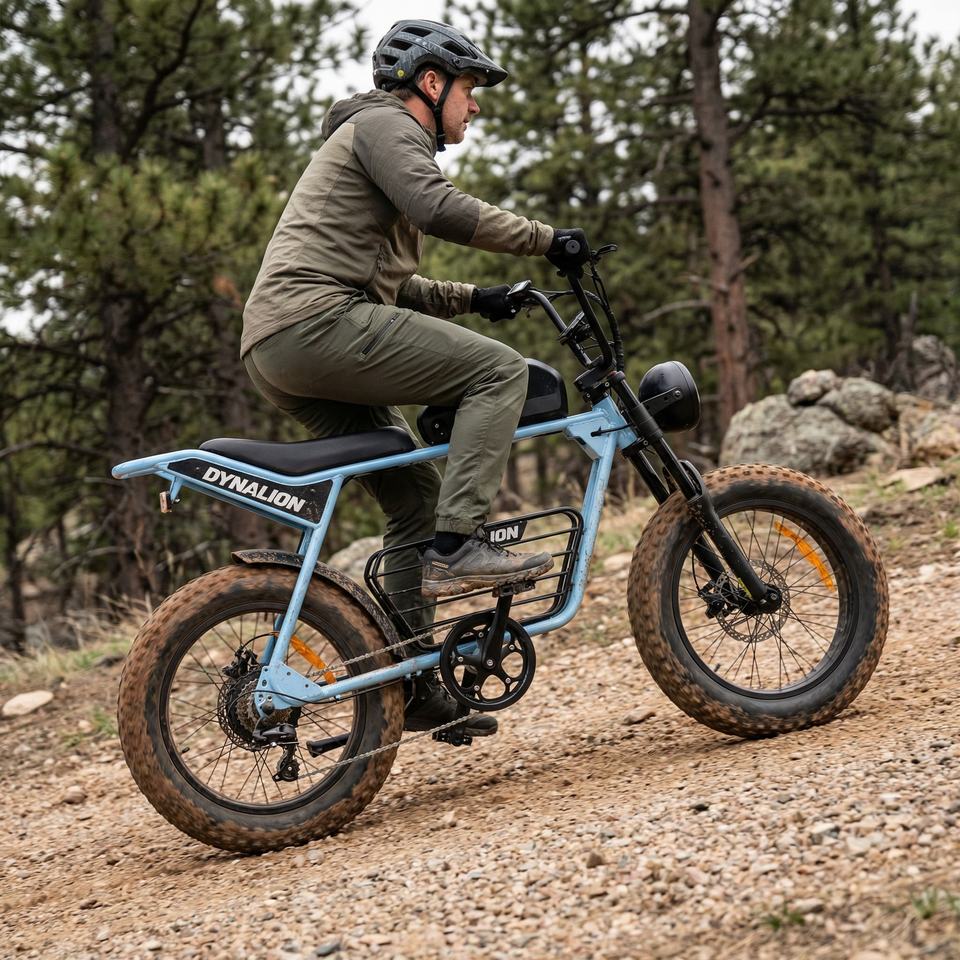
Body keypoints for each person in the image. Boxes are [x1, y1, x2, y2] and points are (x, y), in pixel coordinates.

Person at [240, 19, 589, 737]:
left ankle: (417, 684)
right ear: (431, 83)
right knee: (497, 371)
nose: (475, 105)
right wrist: (546, 240)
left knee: (414, 498)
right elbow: (440, 208)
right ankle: (459, 549)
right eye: (469, 89)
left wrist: (477, 298)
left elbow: (392, 284)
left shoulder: (372, 145)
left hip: (281, 345)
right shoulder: (387, 126)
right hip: (317, 323)